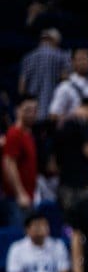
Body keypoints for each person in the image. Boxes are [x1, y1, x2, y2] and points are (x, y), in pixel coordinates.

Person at [5, 212, 69, 272]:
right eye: (37, 225)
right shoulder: (17, 248)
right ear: (27, 230)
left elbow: (64, 271)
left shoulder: (58, 245)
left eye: (44, 225)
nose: (42, 228)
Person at [2, 95, 39, 228]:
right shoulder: (14, 134)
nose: (32, 114)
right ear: (17, 110)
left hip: (29, 196)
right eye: (27, 110)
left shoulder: (28, 134)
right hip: (16, 199)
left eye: (34, 110)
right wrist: (20, 193)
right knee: (17, 235)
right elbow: (9, 163)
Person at [19, 28, 69, 120]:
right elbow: (65, 80)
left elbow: (22, 87)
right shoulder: (63, 56)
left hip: (32, 113)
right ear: (55, 40)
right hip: (53, 112)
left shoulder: (28, 57)